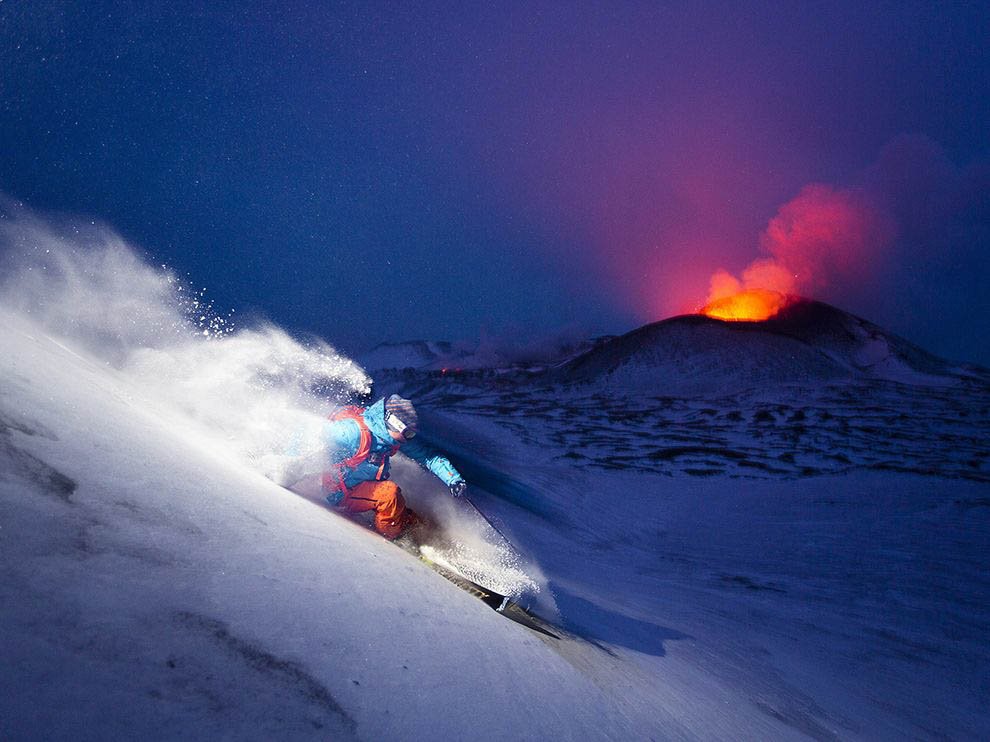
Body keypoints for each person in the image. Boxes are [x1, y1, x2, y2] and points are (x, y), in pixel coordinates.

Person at [280, 394, 467, 539]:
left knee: (397, 505)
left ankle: (419, 529)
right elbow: (308, 430)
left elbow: (429, 457)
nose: (409, 438)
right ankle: (396, 536)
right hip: (339, 491)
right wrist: (288, 465)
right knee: (389, 495)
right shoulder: (352, 433)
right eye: (408, 432)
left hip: (362, 484)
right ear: (392, 423)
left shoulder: (392, 437)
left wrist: (453, 479)